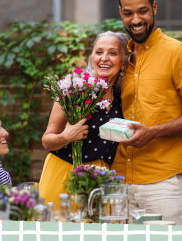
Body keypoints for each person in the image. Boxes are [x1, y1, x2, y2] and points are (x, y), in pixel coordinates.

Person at [112, 0, 182, 225]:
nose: (135, 20)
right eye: (128, 13)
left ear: (154, 8)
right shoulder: (120, 56)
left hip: (163, 184)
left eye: (142, 11)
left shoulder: (178, 53)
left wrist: (154, 132)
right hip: (118, 180)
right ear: (120, 13)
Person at [39, 31, 129, 206]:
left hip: (100, 179)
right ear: (92, 58)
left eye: (112, 53)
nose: (104, 58)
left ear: (124, 63)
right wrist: (66, 137)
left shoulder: (122, 98)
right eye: (99, 52)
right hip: (63, 173)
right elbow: (47, 141)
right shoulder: (74, 90)